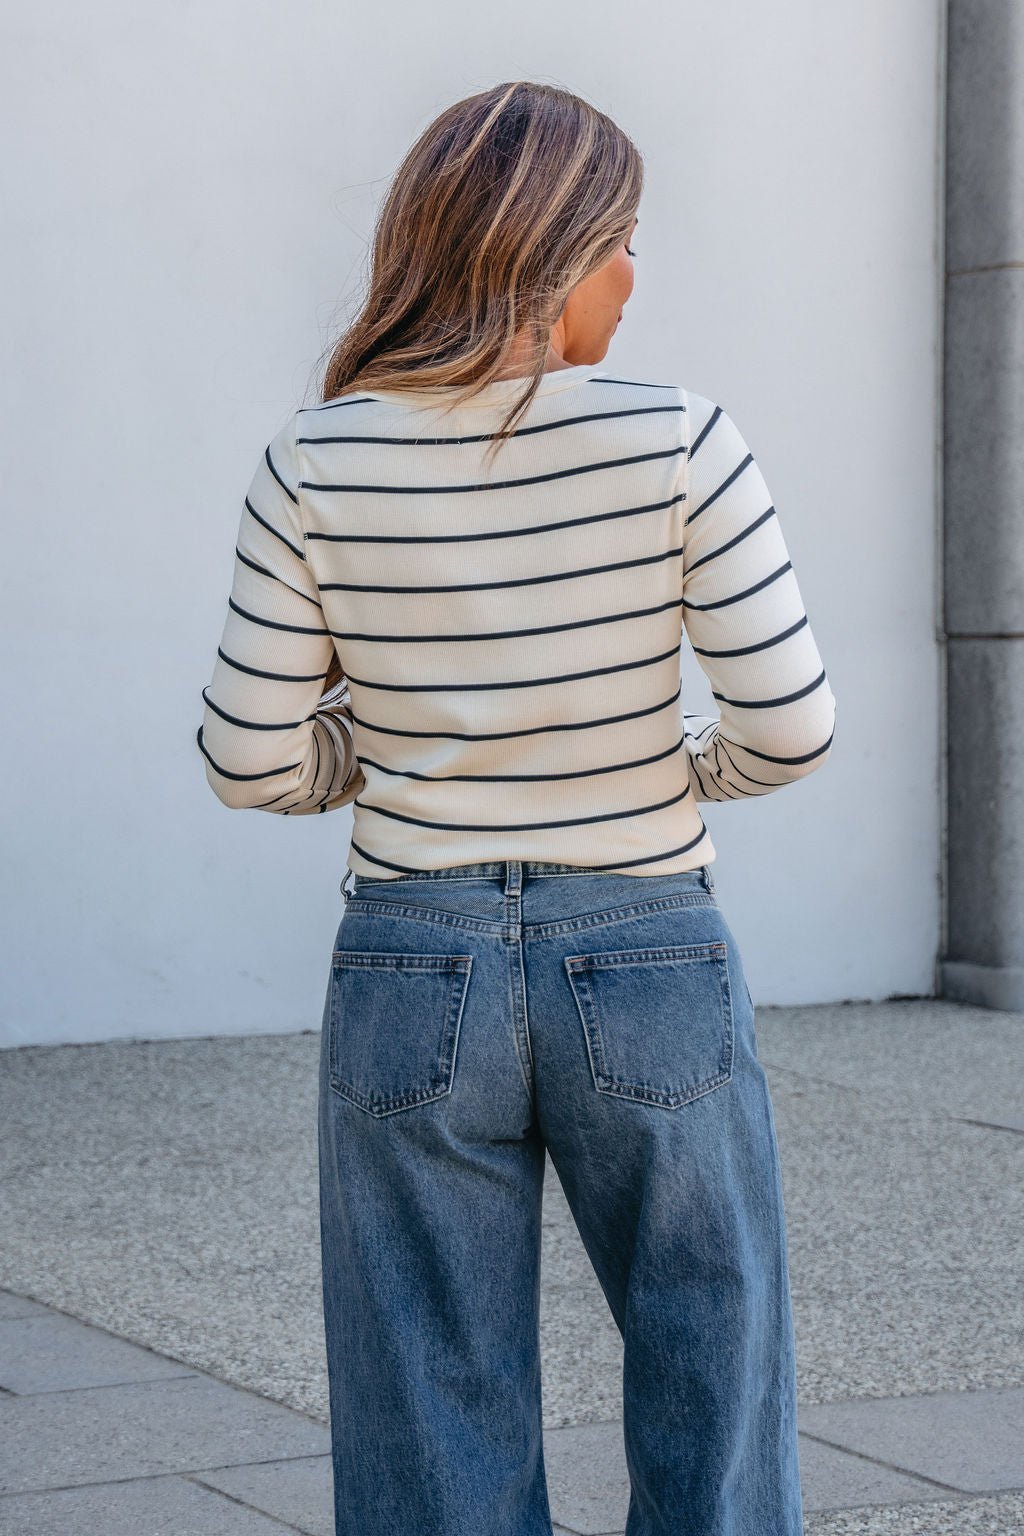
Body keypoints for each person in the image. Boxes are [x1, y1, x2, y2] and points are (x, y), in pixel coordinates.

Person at [197, 78, 835, 1536]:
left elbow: (249, 759)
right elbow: (789, 727)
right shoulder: (683, 439)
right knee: (713, 1355)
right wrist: (661, 771)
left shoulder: (315, 457)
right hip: (651, 951)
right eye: (625, 239)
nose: (635, 273)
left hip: (408, 960)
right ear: (559, 255)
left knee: (424, 1381)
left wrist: (412, 746)